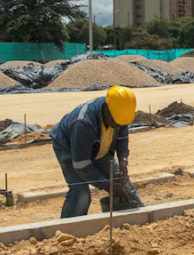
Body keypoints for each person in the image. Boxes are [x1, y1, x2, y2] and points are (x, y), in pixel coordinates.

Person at [50, 86, 143, 218]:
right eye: (117, 122)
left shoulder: (120, 112)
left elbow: (122, 138)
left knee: (121, 181)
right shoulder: (83, 123)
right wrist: (105, 184)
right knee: (80, 191)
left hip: (97, 146)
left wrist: (123, 159)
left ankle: (138, 217)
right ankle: (70, 229)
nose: (119, 126)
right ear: (106, 109)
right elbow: (81, 164)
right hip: (69, 146)